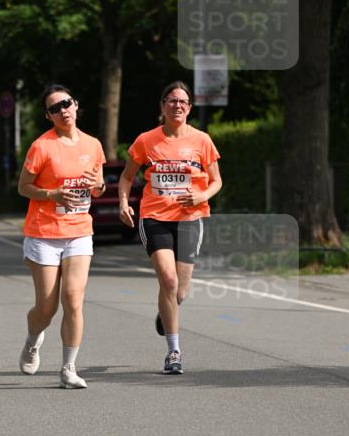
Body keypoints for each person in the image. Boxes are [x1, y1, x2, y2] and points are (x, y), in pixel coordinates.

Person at [118, 81, 222, 375]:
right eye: (172, 100)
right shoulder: (146, 140)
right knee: (169, 280)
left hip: (190, 218)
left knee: (181, 289)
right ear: (162, 106)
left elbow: (216, 180)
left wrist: (202, 195)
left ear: (189, 108)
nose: (178, 105)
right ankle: (173, 352)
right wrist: (123, 203)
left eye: (184, 102)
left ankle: (166, 312)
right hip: (155, 217)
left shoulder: (202, 140)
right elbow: (127, 177)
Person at [17, 84, 106, 389]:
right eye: (55, 108)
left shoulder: (93, 145)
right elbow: (23, 187)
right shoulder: (42, 146)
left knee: (73, 298)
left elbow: (98, 186)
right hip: (43, 233)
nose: (63, 110)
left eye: (66, 103)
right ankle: (33, 340)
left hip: (79, 231)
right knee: (47, 307)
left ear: (76, 104)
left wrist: (100, 186)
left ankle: (68, 368)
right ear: (49, 116)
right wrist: (51, 193)